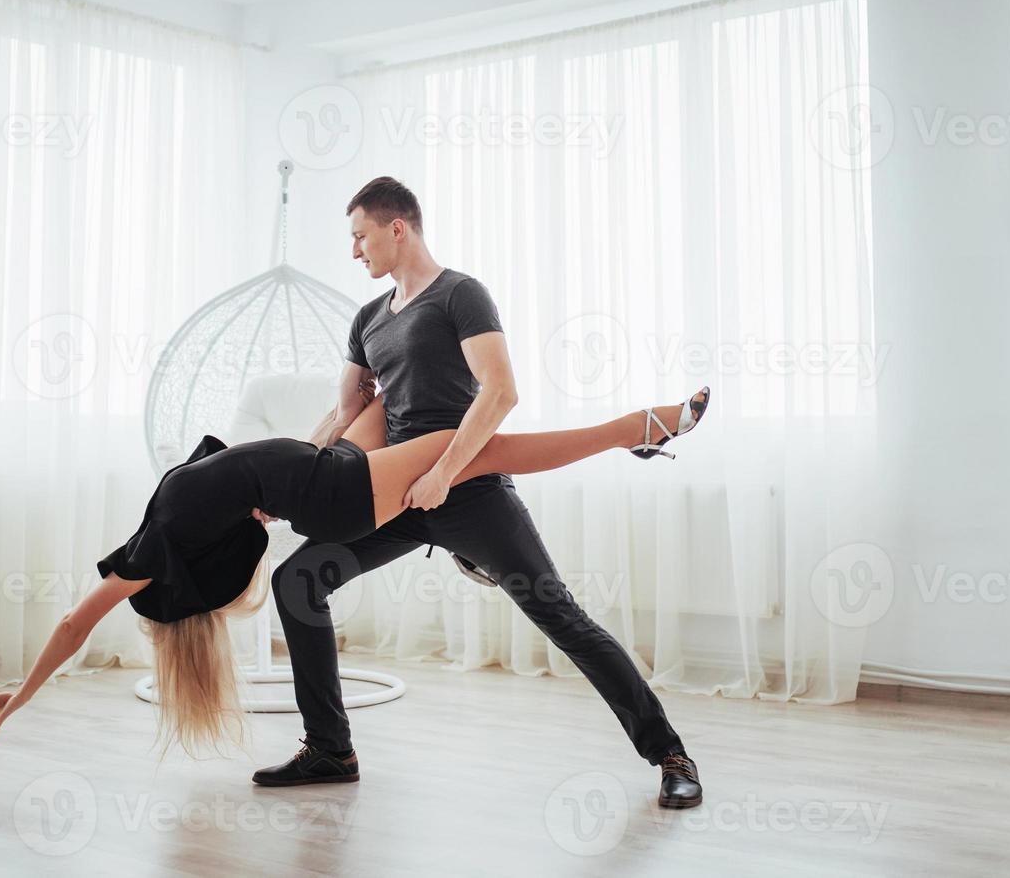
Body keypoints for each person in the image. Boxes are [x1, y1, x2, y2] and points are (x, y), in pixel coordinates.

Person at [0, 381, 709, 773]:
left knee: (412, 425)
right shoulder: (153, 545)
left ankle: (471, 533)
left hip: (326, 468)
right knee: (468, 445)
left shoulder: (171, 512)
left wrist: (349, 406)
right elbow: (75, 625)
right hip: (334, 492)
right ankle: (637, 429)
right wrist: (22, 699)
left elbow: (252, 468)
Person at [254, 177, 705, 810]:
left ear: (396, 227)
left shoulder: (459, 295)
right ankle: (330, 747)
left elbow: (499, 393)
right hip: (396, 495)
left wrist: (443, 476)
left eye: (359, 236)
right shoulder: (368, 320)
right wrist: (284, 479)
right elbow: (343, 414)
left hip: (468, 488)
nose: (355, 251)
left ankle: (669, 754)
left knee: (561, 616)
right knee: (298, 580)